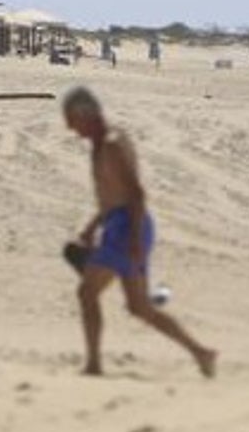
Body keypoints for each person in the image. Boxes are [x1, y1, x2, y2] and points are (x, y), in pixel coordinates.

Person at [62, 86, 217, 378]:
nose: (70, 127)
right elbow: (115, 194)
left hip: (126, 228)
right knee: (140, 308)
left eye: (72, 119)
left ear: (87, 115)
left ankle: (94, 365)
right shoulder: (104, 142)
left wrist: (132, 240)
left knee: (87, 292)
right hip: (123, 226)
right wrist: (93, 226)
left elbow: (135, 193)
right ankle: (202, 353)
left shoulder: (110, 144)